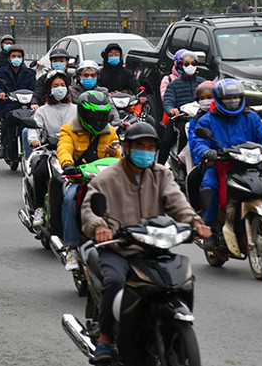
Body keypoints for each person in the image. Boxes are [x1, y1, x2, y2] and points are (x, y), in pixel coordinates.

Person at [81, 122, 211, 361]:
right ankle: (105, 338)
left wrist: (194, 222)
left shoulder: (161, 174)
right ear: (127, 148)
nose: (146, 151)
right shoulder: (107, 178)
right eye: (139, 145)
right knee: (114, 281)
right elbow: (90, 208)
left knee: (181, 280)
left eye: (151, 147)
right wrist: (99, 227)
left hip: (154, 247)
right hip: (119, 249)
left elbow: (177, 202)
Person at [190, 79, 262, 230]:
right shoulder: (207, 120)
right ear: (219, 99)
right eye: (227, 98)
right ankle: (209, 225)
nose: (232, 101)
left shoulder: (251, 117)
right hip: (220, 163)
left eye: (235, 97)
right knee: (210, 185)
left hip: (251, 164)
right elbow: (198, 142)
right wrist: (207, 151)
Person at [57, 91, 122, 270]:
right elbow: (64, 148)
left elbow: (118, 158)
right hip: (80, 178)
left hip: (105, 180)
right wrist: (68, 164)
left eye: (101, 115)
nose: (98, 119)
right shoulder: (68, 129)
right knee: (69, 200)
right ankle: (71, 248)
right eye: (94, 115)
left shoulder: (111, 132)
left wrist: (114, 153)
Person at [26, 70, 76, 226]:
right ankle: (40, 208)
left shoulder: (76, 109)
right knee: (40, 173)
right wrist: (34, 140)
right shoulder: (42, 111)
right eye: (56, 86)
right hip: (50, 152)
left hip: (73, 152)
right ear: (49, 89)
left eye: (62, 85)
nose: (60, 88)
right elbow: (34, 129)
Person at [158, 51, 205, 164]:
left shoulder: (203, 83)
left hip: (200, 118)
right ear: (180, 66)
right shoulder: (173, 85)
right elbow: (168, 100)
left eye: (193, 64)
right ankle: (162, 166)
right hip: (180, 118)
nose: (190, 66)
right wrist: (171, 110)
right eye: (187, 64)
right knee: (167, 141)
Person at [0, 44, 37, 159]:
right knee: (8, 117)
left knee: (34, 119)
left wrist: (35, 100)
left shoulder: (30, 73)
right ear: (9, 58)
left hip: (26, 104)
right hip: (9, 103)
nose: (16, 58)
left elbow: (35, 88)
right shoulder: (1, 72)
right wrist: (0, 93)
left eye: (19, 56)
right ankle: (3, 145)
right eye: (13, 56)